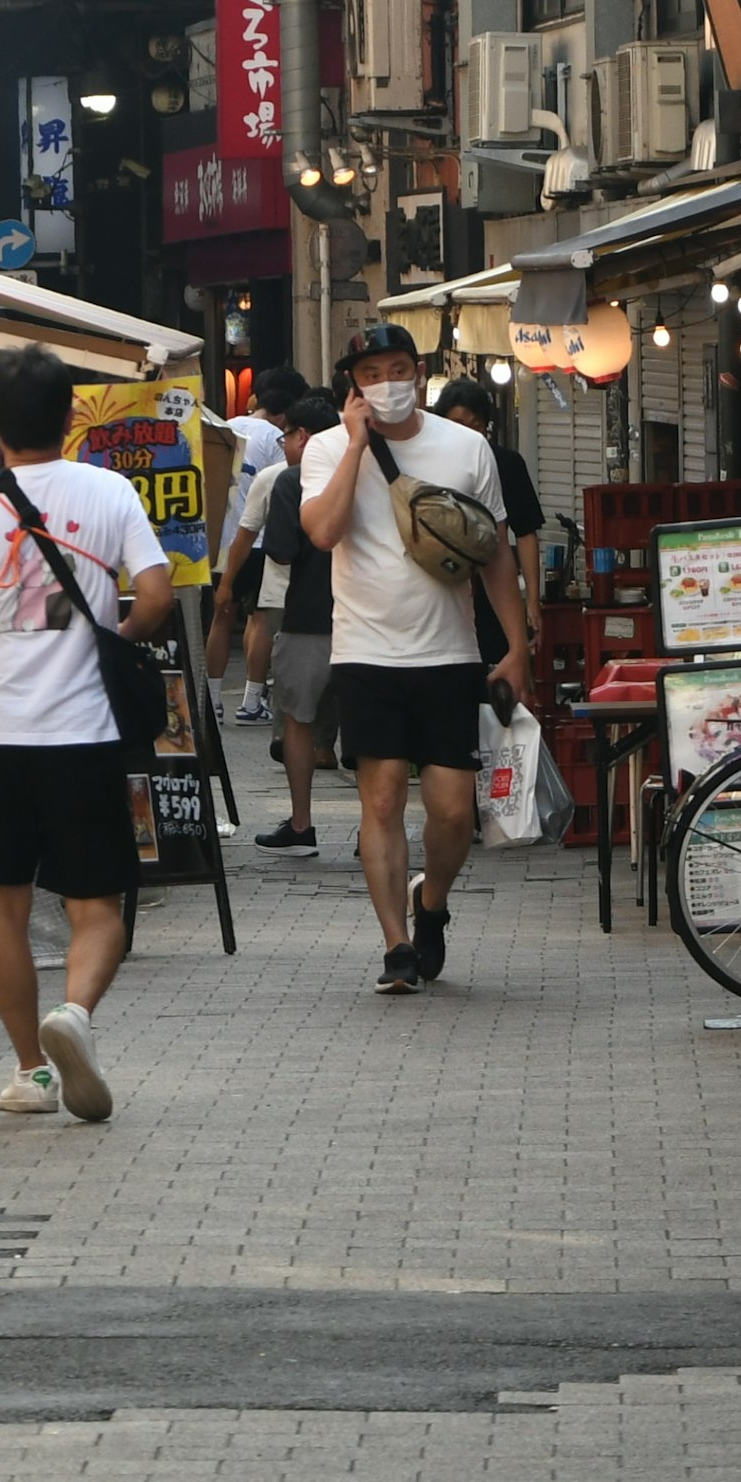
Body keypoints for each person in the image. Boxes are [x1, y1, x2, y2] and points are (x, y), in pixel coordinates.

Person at [0, 347, 174, 1121]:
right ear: (71, 419)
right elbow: (157, 595)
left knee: (2, 905)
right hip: (85, 735)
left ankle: (32, 1070)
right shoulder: (109, 491)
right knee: (97, 907)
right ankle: (78, 1015)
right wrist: (116, 628)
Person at [297, 323, 530, 992]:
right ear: (352, 384)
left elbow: (494, 554)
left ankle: (432, 906)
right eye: (371, 375)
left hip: (449, 653)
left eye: (397, 369)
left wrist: (516, 647)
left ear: (419, 370)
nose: (386, 384)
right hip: (365, 652)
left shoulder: (467, 448)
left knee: (455, 810)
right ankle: (396, 944)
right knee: (383, 797)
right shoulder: (325, 449)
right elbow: (322, 532)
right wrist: (354, 449)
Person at [243, 393, 342, 855]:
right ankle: (376, 832)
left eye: (286, 437)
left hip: (307, 616)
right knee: (366, 728)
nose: (283, 446)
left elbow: (280, 550)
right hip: (368, 618)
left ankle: (301, 826)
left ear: (303, 436)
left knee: (298, 721)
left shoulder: (291, 482)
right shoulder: (362, 475)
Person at [425, 376, 547, 677]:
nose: (468, 433)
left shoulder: (506, 463)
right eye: (457, 423)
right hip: (444, 593)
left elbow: (527, 532)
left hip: (493, 591)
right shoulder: (427, 465)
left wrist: (532, 600)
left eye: (475, 424)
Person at [209, 367, 307, 719]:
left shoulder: (227, 426)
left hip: (221, 538)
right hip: (259, 539)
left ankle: (214, 700)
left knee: (221, 616)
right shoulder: (276, 439)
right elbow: (286, 483)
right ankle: (251, 701)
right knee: (260, 619)